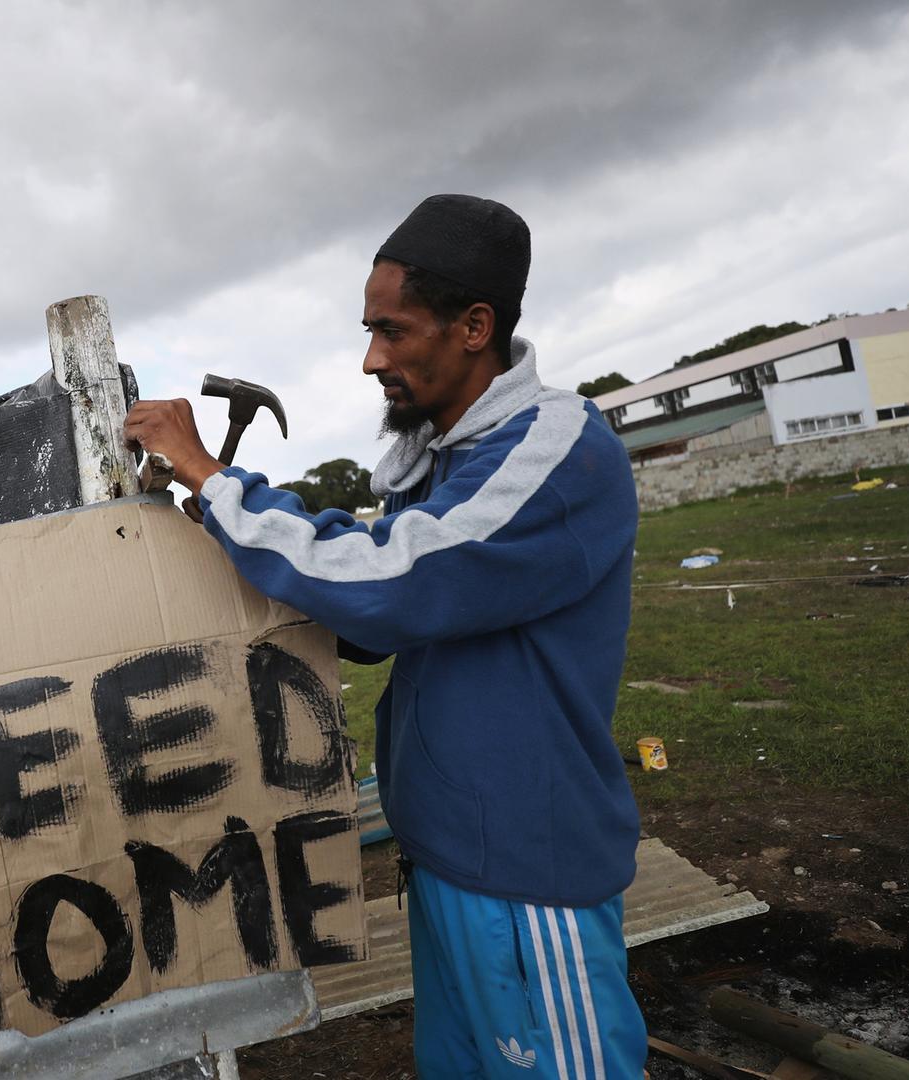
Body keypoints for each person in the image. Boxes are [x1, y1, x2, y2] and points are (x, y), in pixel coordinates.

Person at [123, 194, 646, 1079]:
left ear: (475, 326)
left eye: (393, 332)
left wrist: (219, 482)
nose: (372, 360)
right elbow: (367, 627)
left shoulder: (559, 447)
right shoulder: (447, 460)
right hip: (448, 857)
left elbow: (397, 582)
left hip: (527, 879)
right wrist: (218, 531)